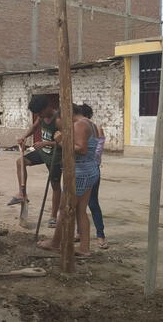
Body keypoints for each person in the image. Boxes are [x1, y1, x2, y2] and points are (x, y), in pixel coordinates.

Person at [37, 103, 100, 257]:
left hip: (79, 173)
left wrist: (60, 140)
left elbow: (81, 149)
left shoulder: (79, 124)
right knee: (80, 211)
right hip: (89, 170)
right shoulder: (90, 124)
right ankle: (84, 248)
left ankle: (55, 243)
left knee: (64, 210)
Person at [10, 95, 62, 228]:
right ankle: (23, 193)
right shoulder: (41, 116)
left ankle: (53, 217)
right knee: (20, 162)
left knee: (55, 186)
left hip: (55, 157)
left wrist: (46, 143)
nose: (39, 115)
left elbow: (66, 141)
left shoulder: (58, 120)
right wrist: (24, 137)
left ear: (48, 107)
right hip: (42, 152)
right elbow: (34, 128)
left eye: (40, 112)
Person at [77, 104, 108, 249]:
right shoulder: (96, 127)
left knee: (89, 203)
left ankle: (99, 235)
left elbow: (95, 151)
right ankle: (96, 236)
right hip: (94, 167)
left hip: (87, 168)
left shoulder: (85, 128)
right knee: (88, 204)